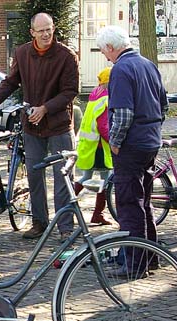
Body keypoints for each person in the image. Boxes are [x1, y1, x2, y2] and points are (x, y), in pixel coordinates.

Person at [0, 12, 80, 240]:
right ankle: (39, 222)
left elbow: (70, 91)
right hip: (32, 127)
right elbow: (11, 81)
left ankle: (65, 226)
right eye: (41, 30)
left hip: (59, 125)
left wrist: (45, 108)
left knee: (63, 177)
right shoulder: (22, 52)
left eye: (49, 29)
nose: (46, 34)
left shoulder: (67, 56)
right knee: (34, 177)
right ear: (32, 33)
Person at [97, 24, 168, 276]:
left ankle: (134, 263)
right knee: (144, 201)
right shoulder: (148, 65)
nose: (104, 56)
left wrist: (115, 143)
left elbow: (123, 113)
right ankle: (151, 256)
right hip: (150, 141)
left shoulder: (121, 69)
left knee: (129, 204)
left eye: (103, 50)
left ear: (110, 47)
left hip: (131, 144)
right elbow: (164, 104)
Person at [74, 66, 114, 226]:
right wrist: (113, 142)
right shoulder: (106, 98)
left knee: (86, 177)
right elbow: (103, 126)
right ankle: (98, 214)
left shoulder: (94, 95)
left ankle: (65, 205)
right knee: (106, 180)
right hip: (100, 148)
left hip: (89, 145)